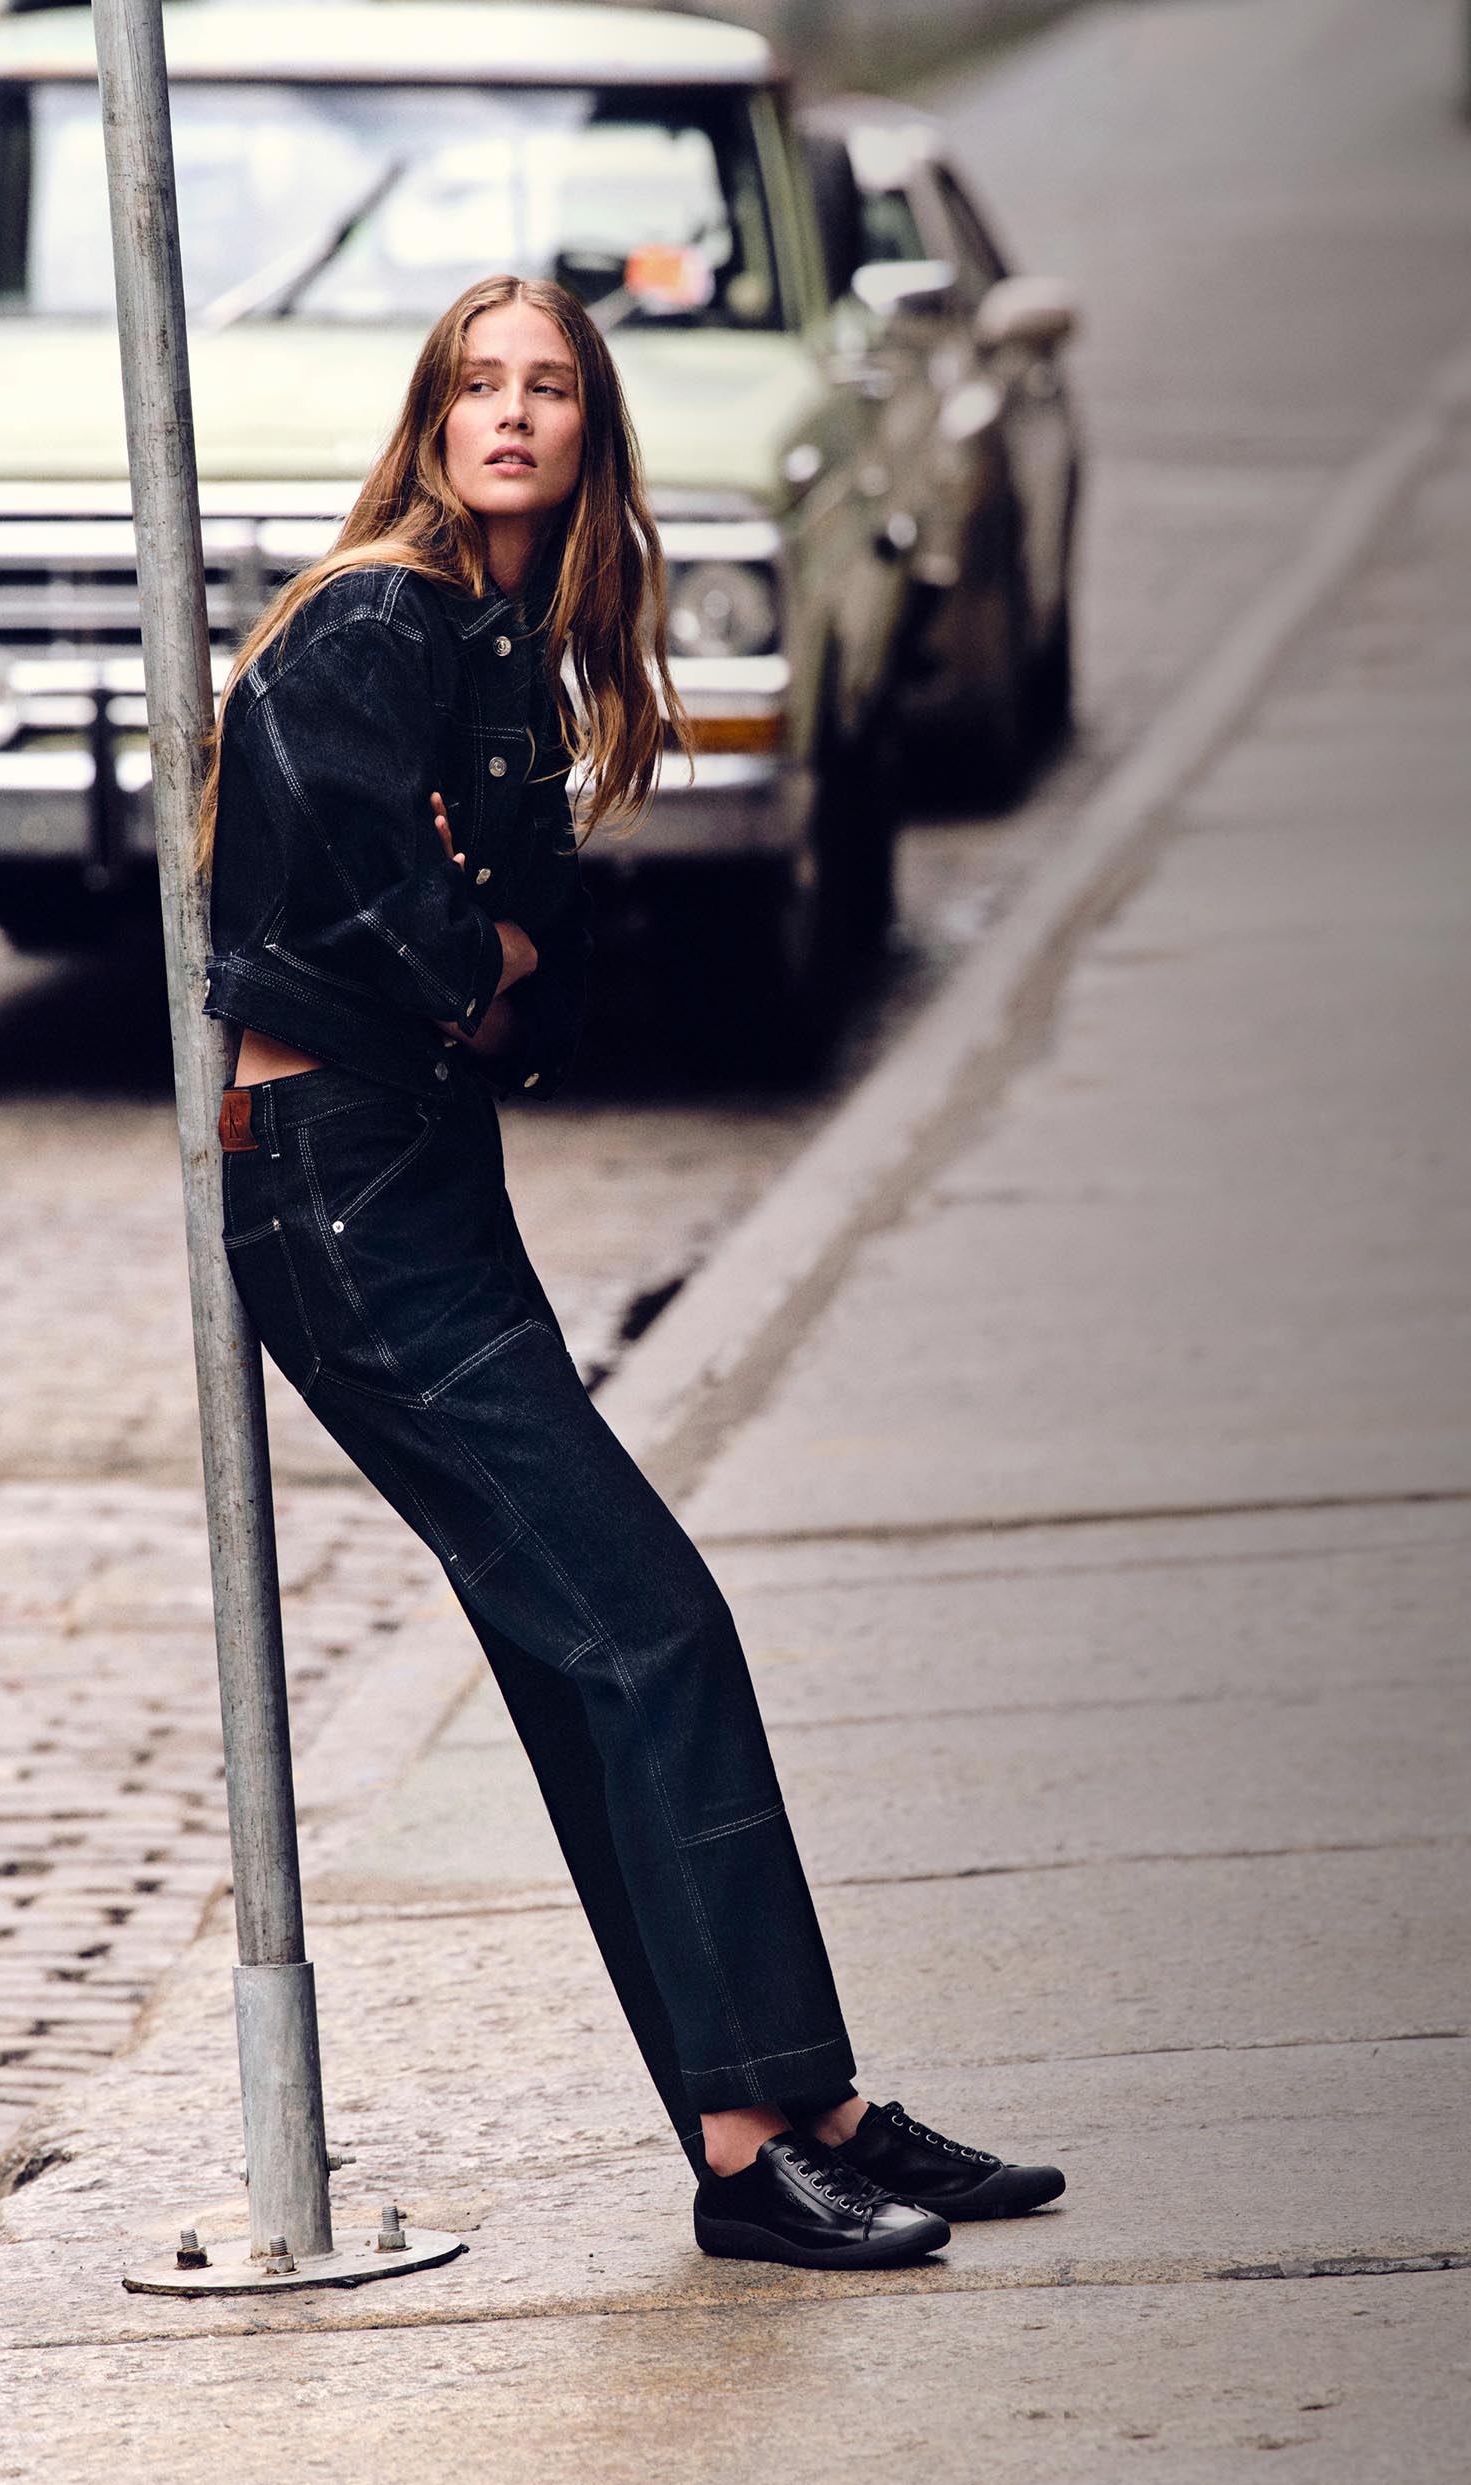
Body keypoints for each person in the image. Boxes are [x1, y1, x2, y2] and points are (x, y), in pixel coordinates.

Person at [202, 273, 1064, 2267]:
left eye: (551, 388)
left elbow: (540, 988)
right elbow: (414, 922)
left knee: (591, 1648)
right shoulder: (374, 619)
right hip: (333, 1187)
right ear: (429, 421)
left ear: (591, 432)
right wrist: (476, 945)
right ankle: (761, 2140)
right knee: (651, 1623)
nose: (512, 416)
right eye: (479, 385)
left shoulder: (506, 649)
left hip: (422, 1169)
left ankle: (794, 2111)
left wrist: (490, 950)